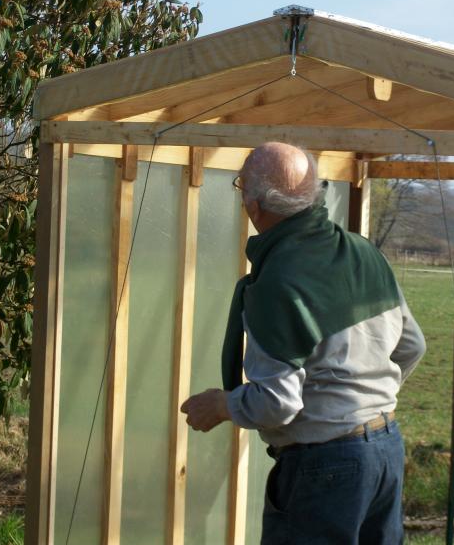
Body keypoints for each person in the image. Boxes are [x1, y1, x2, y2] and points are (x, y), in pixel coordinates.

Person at [180, 142, 426, 545]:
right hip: (385, 450)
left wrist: (222, 405)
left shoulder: (277, 281)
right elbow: (412, 346)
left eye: (241, 186)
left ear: (253, 205)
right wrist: (362, 402)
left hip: (326, 466)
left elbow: (277, 404)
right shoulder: (364, 253)